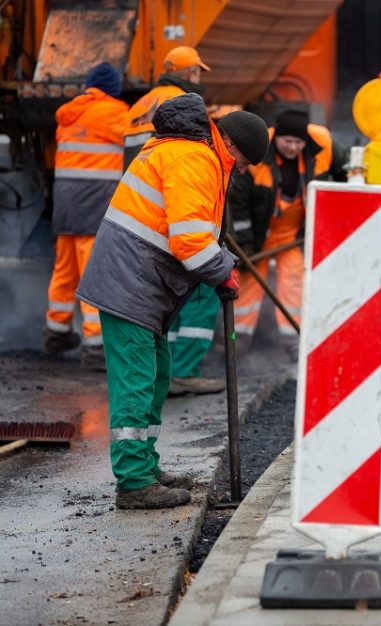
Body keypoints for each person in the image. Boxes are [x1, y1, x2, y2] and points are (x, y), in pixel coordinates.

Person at [77, 94, 269, 509]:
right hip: (130, 283)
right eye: (243, 163)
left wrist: (223, 262)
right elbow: (189, 242)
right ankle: (134, 483)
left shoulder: (192, 154)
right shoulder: (194, 160)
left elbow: (194, 231)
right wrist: (222, 272)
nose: (238, 170)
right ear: (232, 146)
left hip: (139, 281)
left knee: (159, 373)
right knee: (136, 382)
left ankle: (144, 465)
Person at [122, 45, 225, 395]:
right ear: (189, 73)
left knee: (165, 296)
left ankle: (167, 370)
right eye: (197, 72)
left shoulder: (139, 106)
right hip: (178, 208)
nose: (199, 79)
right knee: (196, 289)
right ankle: (183, 370)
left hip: (140, 210)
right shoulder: (187, 105)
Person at [229, 109, 347, 349]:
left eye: (298, 142)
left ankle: (293, 342)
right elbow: (238, 203)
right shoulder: (256, 147)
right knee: (248, 282)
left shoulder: (324, 143)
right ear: (277, 138)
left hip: (293, 234)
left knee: (294, 282)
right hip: (260, 233)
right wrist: (246, 243)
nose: (293, 147)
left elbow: (346, 174)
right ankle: (237, 340)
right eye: (288, 141)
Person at [43, 63, 129, 370]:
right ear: (112, 88)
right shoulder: (113, 113)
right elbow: (139, 139)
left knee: (65, 269)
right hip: (94, 203)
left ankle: (56, 331)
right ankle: (95, 347)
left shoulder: (69, 113)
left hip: (65, 203)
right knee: (93, 275)